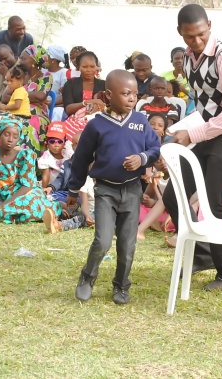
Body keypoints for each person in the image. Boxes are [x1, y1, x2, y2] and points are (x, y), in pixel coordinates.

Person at [161, 4, 222, 291]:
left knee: (212, 204)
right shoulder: (187, 60)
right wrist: (178, 132)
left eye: (201, 34)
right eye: (189, 37)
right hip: (206, 133)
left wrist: (193, 133)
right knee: (174, 196)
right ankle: (202, 256)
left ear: (209, 25)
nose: (196, 41)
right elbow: (204, 107)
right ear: (179, 34)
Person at [67, 69, 160, 305]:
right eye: (126, 93)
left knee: (128, 244)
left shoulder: (140, 121)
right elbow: (81, 159)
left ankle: (121, 284)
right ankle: (87, 277)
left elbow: (154, 148)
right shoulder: (97, 125)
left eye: (135, 94)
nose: (132, 98)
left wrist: (142, 158)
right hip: (105, 191)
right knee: (103, 241)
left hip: (132, 191)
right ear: (109, 94)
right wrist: (73, 189)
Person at [0, 117, 61, 224]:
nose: (10, 139)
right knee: (6, 213)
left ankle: (55, 208)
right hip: (6, 197)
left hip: (26, 194)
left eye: (15, 136)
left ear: (19, 138)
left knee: (14, 210)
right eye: (6, 134)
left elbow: (27, 186)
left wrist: (2, 206)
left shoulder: (25, 156)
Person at [0, 45, 52, 153]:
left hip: (37, 114)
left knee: (28, 123)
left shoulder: (46, 77)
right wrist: (32, 97)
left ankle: (28, 161)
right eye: (20, 58)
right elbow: (4, 98)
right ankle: (1, 162)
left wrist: (16, 95)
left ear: (34, 62)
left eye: (23, 58)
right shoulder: (19, 75)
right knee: (0, 120)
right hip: (16, 111)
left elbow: (41, 96)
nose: (19, 61)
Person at [61, 51, 105, 117]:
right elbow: (68, 109)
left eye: (92, 66)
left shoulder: (104, 85)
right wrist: (87, 102)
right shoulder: (70, 84)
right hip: (74, 121)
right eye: (84, 67)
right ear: (79, 67)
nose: (89, 70)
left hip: (98, 121)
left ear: (96, 67)